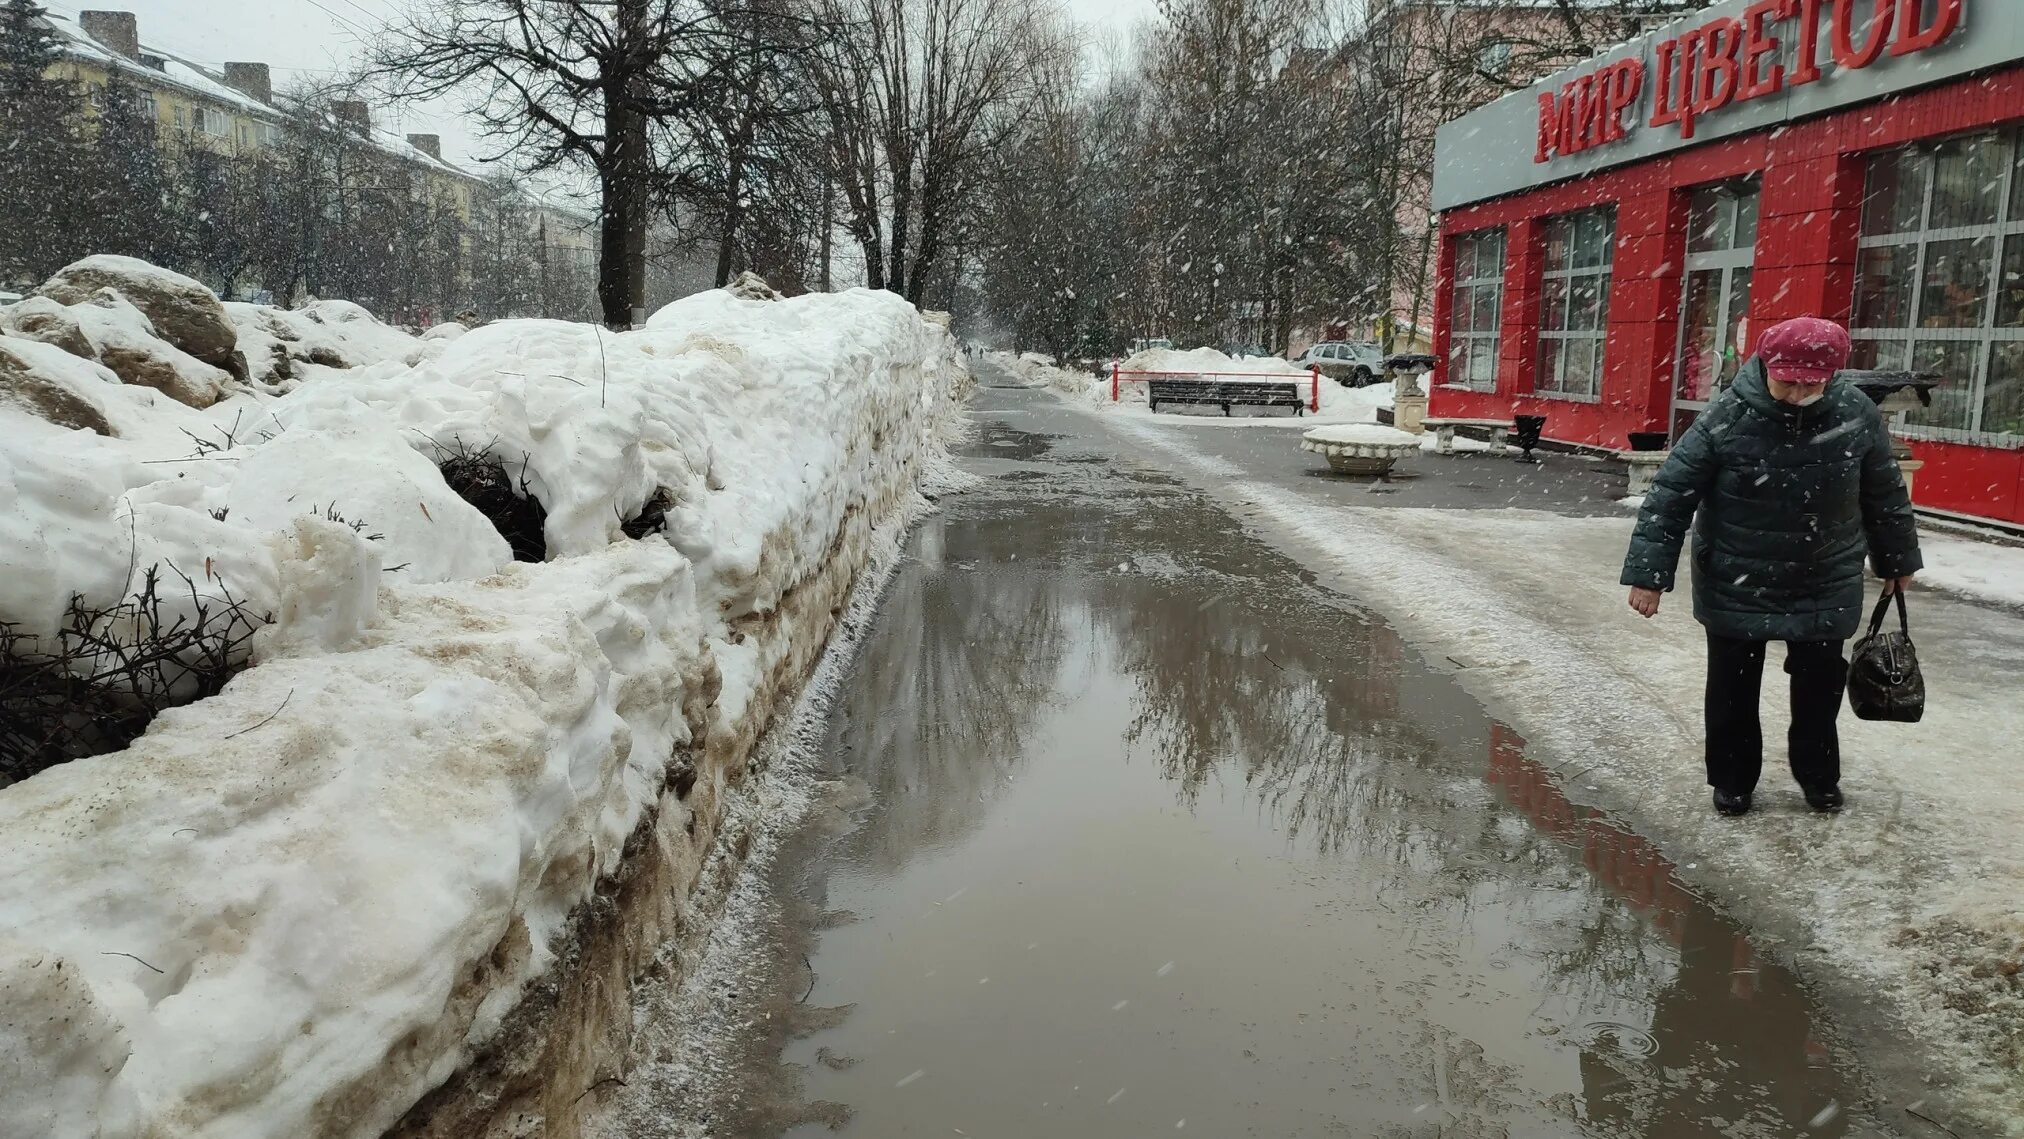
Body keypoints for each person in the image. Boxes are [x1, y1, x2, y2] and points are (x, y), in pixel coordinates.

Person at [1621, 317, 1922, 817]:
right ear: (1765, 365)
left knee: (1819, 691)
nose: (1799, 391)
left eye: (1812, 381)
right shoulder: (1727, 415)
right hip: (1738, 575)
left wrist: (1896, 559)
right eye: (1789, 379)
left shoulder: (1856, 413)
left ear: (1832, 372)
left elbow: (1884, 493)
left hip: (1824, 576)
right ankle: (1733, 780)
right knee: (1733, 691)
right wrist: (1648, 575)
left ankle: (1818, 777)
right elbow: (1671, 495)